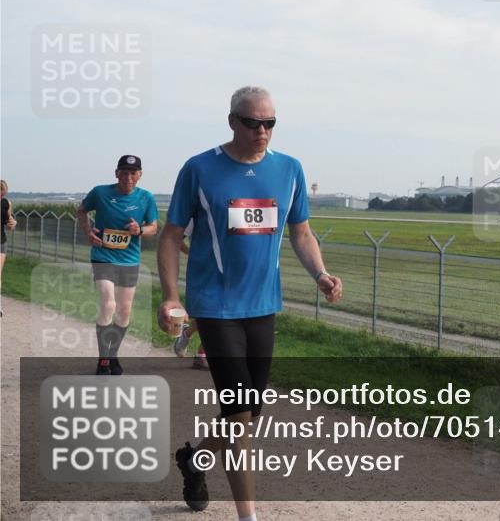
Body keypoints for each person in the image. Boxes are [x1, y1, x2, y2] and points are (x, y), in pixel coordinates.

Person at [157, 86, 343, 519]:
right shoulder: (199, 169)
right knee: (239, 414)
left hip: (262, 307)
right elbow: (170, 236)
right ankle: (249, 516)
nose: (262, 131)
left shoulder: (290, 170)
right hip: (214, 306)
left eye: (270, 123)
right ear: (232, 121)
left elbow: (301, 232)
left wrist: (321, 273)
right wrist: (171, 297)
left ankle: (193, 458)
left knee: (247, 412)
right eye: (253, 123)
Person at [76, 156, 159, 375]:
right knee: (108, 304)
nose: (128, 177)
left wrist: (139, 231)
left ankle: (113, 355)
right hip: (103, 255)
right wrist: (88, 231)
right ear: (116, 173)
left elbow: (153, 227)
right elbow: (82, 210)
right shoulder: (100, 192)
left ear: (140, 175)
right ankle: (103, 360)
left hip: (129, 259)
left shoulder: (146, 198)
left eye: (133, 173)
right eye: (124, 172)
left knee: (124, 311)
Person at [175, 221, 208, 369]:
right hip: (203, 271)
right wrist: (192, 254)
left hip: (230, 272)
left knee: (219, 316)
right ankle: (188, 337)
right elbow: (176, 239)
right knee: (209, 314)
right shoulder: (196, 215)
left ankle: (189, 337)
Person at [1, 179, 16, 316]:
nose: (2, 197)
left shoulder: (5, 203)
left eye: (3, 194)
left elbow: (9, 222)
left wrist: (12, 223)